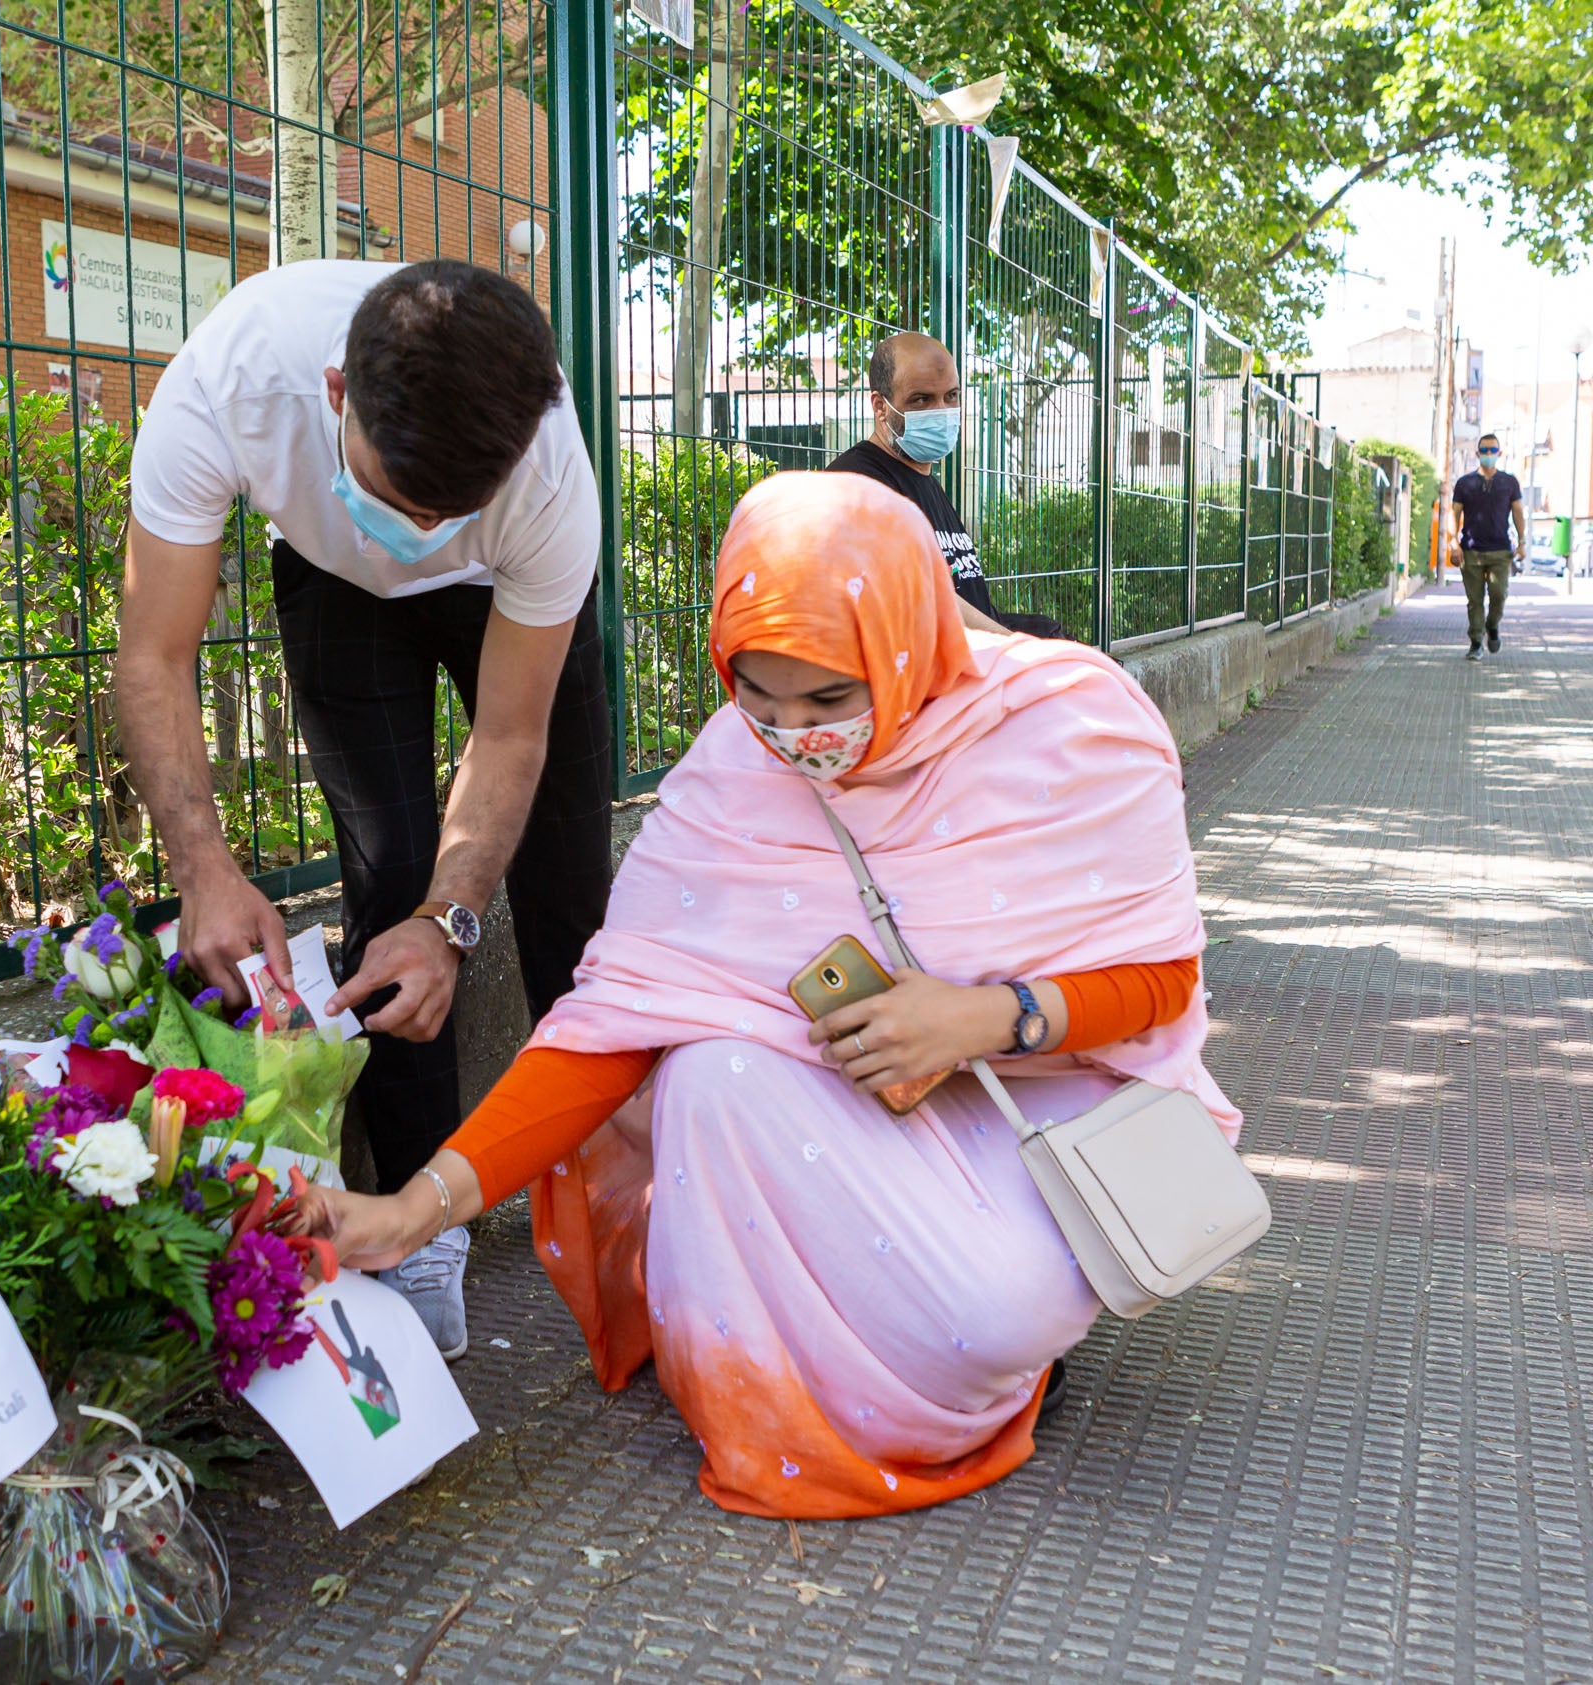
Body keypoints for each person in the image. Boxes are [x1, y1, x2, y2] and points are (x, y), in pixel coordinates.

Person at [289, 472, 1232, 1517]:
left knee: (994, 1320)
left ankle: (969, 1360)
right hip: (858, 1104)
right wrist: (410, 1211)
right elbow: (607, 1023)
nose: (792, 734)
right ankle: (777, 1387)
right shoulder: (731, 770)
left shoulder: (1074, 722)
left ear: (909, 636)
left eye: (830, 696)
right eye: (756, 690)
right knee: (705, 1072)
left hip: (1036, 1096)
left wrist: (984, 1014)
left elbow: (1160, 983)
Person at [116, 259, 617, 1355]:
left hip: (514, 600)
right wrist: (202, 867)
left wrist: (454, 920)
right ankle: (419, 1238)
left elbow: (511, 733)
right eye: (404, 502)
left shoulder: (544, 481)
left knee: (569, 900)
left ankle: (616, 1186)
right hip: (332, 581)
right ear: (337, 394)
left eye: (452, 514)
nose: (426, 534)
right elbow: (153, 653)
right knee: (387, 876)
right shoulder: (231, 381)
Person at [828, 331, 1068, 639]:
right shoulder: (859, 484)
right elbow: (923, 599)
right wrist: (1015, 651)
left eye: (951, 396)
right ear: (880, 406)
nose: (941, 411)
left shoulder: (925, 481)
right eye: (921, 399)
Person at [1448, 432, 1526, 659]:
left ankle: (1492, 626)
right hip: (1471, 550)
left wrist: (1521, 542)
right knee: (1474, 601)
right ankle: (1475, 643)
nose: (1488, 454)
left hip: (1500, 551)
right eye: (1484, 450)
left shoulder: (1509, 482)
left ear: (1499, 454)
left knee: (1498, 595)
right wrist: (1454, 543)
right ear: (1477, 453)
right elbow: (1454, 513)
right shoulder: (1465, 483)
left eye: (1493, 450)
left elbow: (1518, 512)